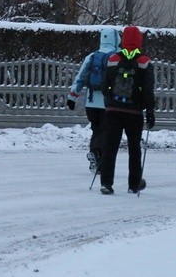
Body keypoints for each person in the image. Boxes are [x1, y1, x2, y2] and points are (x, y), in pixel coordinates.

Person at [98, 25, 156, 195]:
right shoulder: (144, 62)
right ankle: (134, 184)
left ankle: (106, 183)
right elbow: (148, 90)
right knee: (134, 149)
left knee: (110, 147)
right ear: (139, 40)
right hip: (134, 113)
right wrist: (150, 111)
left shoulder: (113, 59)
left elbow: (104, 86)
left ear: (123, 41)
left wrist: (110, 100)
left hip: (113, 111)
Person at [67, 27, 121, 172]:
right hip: (107, 103)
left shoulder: (91, 57)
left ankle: (95, 160)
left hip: (90, 103)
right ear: (116, 39)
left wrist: (72, 97)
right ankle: (98, 155)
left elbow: (81, 78)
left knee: (96, 130)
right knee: (105, 131)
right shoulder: (116, 58)